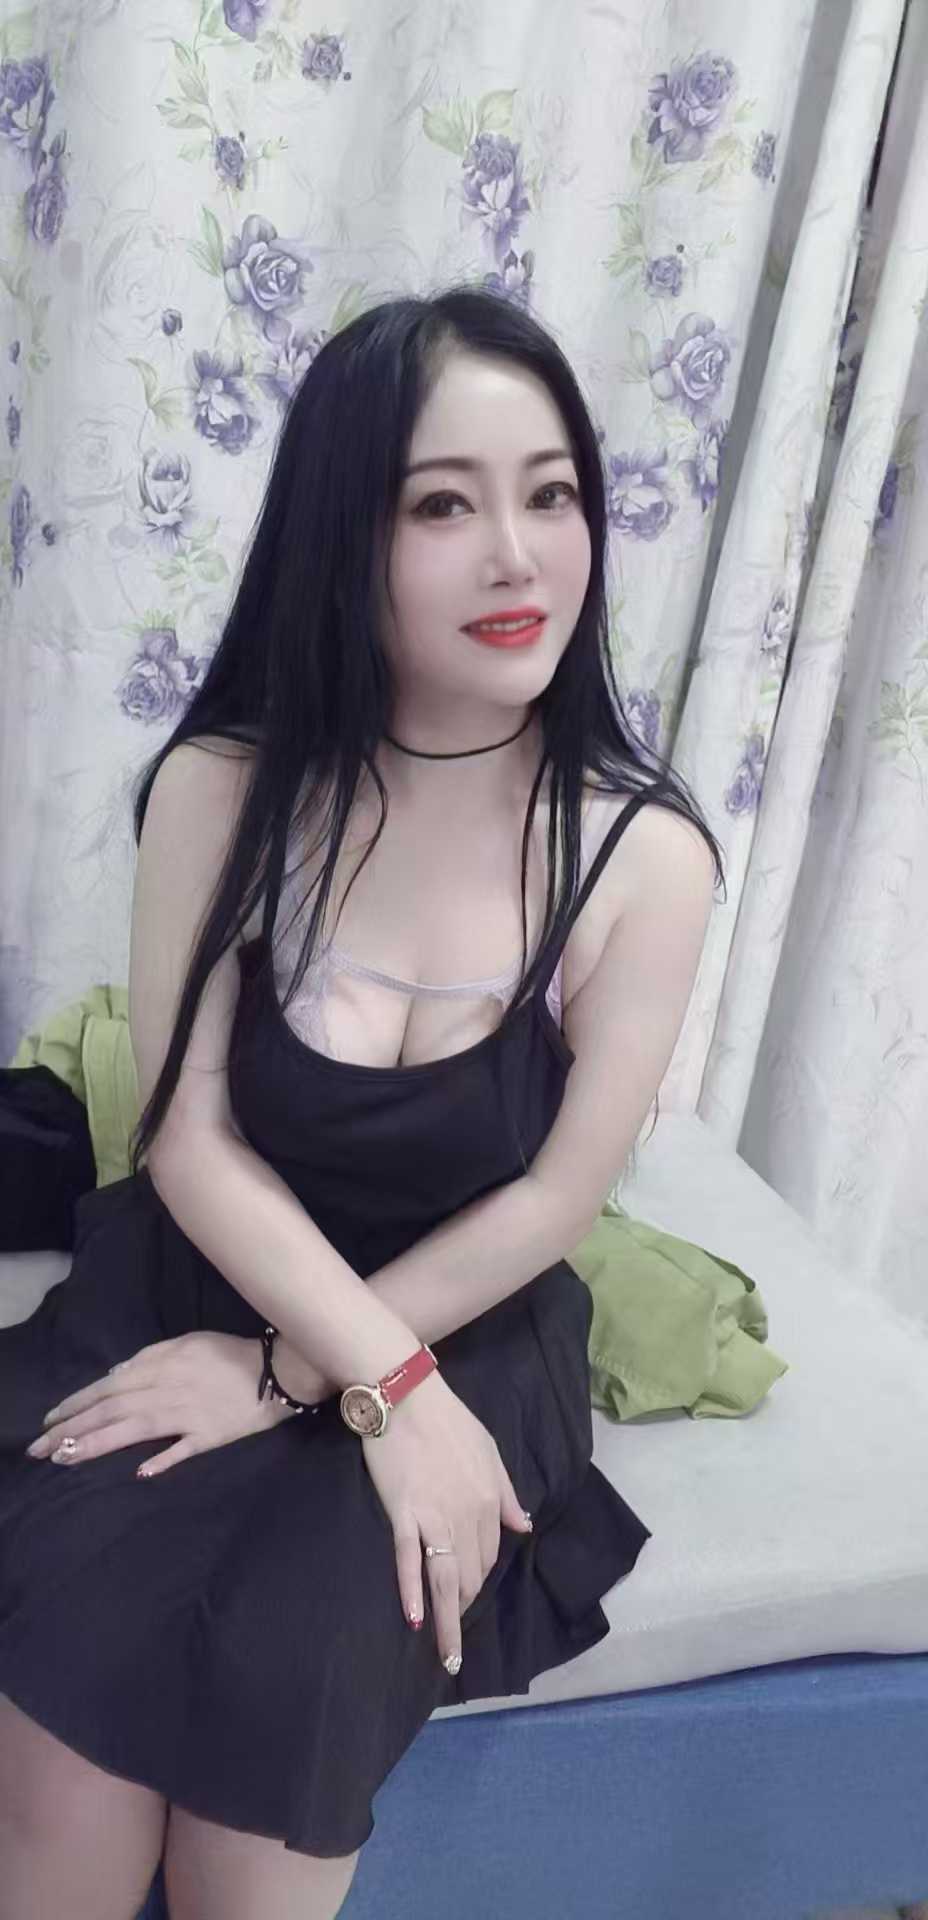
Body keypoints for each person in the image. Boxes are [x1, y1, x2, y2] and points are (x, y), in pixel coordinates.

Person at [0, 285, 725, 1920]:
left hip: (460, 1332)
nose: (518, 558)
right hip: (204, 1275)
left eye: (552, 494)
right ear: (345, 535)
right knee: (68, 1712)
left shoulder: (642, 854)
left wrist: (333, 1381)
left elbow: (553, 1201)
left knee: (293, 1684)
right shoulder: (222, 787)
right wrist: (317, 1363)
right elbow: (188, 1134)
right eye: (442, 506)